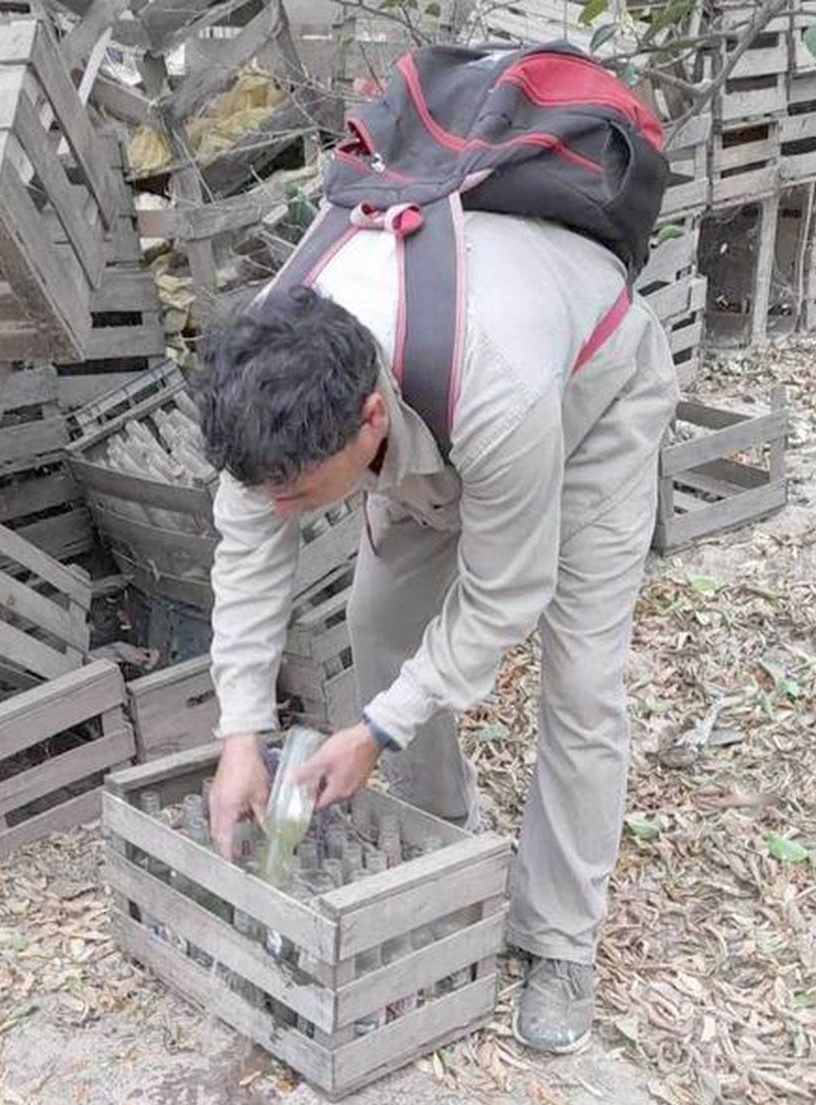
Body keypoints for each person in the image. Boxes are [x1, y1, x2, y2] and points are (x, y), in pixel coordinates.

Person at [195, 205, 678, 1054]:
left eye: (300, 496)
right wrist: (240, 732)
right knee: (378, 619)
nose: (280, 511)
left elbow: (504, 594)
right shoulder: (266, 386)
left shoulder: (499, 385)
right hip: (437, 428)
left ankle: (559, 941)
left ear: (369, 420)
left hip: (589, 401)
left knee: (580, 683)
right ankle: (442, 835)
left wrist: (378, 729)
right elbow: (246, 557)